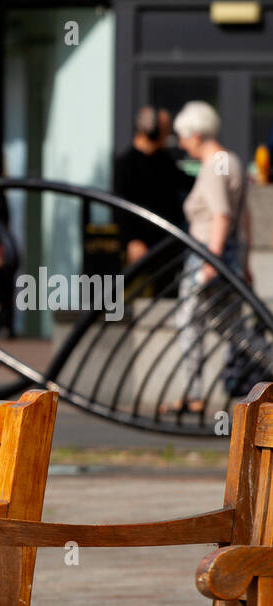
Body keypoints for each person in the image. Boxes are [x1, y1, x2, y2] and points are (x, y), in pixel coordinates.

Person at [166, 100, 253, 413]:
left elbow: (221, 216)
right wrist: (243, 264)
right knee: (231, 328)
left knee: (190, 320)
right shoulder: (232, 161)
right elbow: (245, 218)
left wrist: (209, 264)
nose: (181, 143)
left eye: (183, 136)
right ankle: (194, 393)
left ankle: (193, 394)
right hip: (227, 257)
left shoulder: (214, 164)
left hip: (208, 255)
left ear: (196, 134)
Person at [113, 106, 193, 264]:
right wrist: (132, 240)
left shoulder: (164, 161)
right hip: (141, 249)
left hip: (167, 245)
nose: (169, 134)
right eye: (165, 129)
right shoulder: (126, 164)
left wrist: (218, 169)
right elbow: (120, 207)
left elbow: (187, 182)